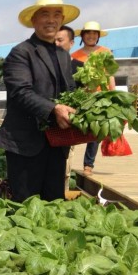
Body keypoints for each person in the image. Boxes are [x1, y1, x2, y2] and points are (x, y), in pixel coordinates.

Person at [0, 0, 79, 202]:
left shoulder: (63, 55)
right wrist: (54, 109)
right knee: (26, 206)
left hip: (56, 143)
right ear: (34, 20)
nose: (51, 20)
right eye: (45, 14)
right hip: (25, 145)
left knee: (54, 202)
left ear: (62, 20)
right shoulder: (20, 53)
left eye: (57, 14)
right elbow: (21, 92)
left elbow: (69, 92)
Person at [72, 21, 116, 177]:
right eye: (88, 33)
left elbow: (110, 74)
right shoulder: (75, 55)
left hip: (101, 96)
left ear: (98, 36)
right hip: (82, 97)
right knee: (75, 128)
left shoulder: (106, 52)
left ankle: (88, 165)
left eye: (94, 33)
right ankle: (66, 160)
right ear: (82, 36)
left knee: (96, 130)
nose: (91, 36)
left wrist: (113, 94)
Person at [54, 25, 84, 191]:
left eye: (60, 40)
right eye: (54, 40)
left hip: (67, 122)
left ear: (71, 43)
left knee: (65, 163)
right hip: (48, 121)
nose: (56, 44)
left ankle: (62, 193)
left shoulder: (79, 67)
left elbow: (86, 93)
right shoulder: (46, 65)